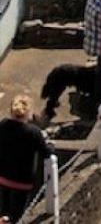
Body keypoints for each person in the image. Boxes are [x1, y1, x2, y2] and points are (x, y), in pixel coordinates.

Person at [0, 94, 52, 222]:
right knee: (17, 216)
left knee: (3, 213)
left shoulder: (3, 125)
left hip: (3, 178)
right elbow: (47, 153)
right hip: (22, 182)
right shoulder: (34, 132)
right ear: (29, 113)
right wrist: (48, 142)